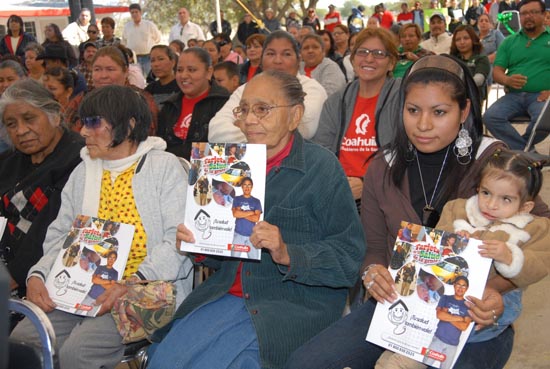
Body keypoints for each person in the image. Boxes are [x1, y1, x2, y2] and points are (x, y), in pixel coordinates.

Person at [286, 54, 550, 369]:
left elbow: (541, 233)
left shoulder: (495, 163)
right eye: (413, 111)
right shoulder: (383, 167)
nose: (423, 125)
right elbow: (371, 248)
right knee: (306, 362)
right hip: (400, 304)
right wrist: (373, 274)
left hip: (475, 316)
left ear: (464, 110)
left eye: (439, 112)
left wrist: (496, 290)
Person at [146, 70, 365, 369]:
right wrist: (200, 243)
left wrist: (288, 253)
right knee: (163, 360)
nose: (249, 120)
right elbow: (223, 257)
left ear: (294, 115)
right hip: (225, 294)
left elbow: (348, 260)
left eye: (262, 109)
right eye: (244, 110)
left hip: (290, 305)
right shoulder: (226, 166)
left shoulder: (321, 169)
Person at [10, 85, 194, 369]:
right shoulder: (83, 172)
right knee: (24, 340)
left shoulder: (163, 168)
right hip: (80, 286)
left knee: (78, 353)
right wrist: (38, 274)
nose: (83, 132)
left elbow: (178, 241)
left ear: (129, 124)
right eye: (83, 123)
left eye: (93, 122)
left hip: (147, 287)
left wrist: (130, 283)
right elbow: (60, 235)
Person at [0, 79, 84, 300]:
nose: (21, 131)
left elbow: (53, 228)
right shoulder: (8, 162)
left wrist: (11, 277)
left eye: (29, 119)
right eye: (11, 124)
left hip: (41, 275)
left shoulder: (78, 160)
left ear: (55, 116)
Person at [312, 28, 401, 204]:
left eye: (378, 53)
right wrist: (336, 182)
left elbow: (408, 155)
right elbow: (322, 151)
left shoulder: (403, 97)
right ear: (352, 60)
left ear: (391, 63)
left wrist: (367, 183)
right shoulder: (336, 101)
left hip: (386, 192)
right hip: (339, 189)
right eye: (362, 52)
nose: (369, 58)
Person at [208, 31, 327, 142]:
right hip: (246, 159)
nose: (278, 60)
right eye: (270, 53)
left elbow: (303, 130)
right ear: (261, 61)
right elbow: (215, 132)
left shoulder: (312, 89)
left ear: (298, 60)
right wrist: (274, 130)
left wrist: (242, 124)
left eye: (286, 54)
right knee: (212, 161)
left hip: (296, 162)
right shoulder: (246, 89)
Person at [483, 0, 550, 151]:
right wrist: (507, 79)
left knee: (544, 120)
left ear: (544, 15)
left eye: (533, 12)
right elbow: (497, 72)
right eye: (524, 13)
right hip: (513, 96)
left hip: (542, 97)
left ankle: (521, 152)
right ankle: (527, 153)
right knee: (490, 117)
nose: (528, 17)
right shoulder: (509, 42)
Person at [156, 47, 229, 159]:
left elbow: (229, 151)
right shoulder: (169, 106)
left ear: (209, 72)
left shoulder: (225, 104)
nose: (184, 76)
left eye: (191, 70)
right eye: (179, 70)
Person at [450, 25, 490, 102]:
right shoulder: (452, 59)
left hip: (473, 99)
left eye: (466, 38)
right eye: (458, 39)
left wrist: (458, 87)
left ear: (473, 40)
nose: (462, 42)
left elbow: (479, 80)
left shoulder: (481, 59)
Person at [122, 3, 162, 77]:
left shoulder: (149, 25)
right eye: (132, 12)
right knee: (136, 79)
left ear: (140, 12)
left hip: (148, 57)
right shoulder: (127, 27)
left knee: (151, 78)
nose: (134, 14)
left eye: (136, 12)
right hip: (134, 59)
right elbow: (124, 42)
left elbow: (157, 38)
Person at [77, 251, 119, 316]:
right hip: (90, 296)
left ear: (115, 260)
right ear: (107, 258)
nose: (111, 260)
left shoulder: (115, 273)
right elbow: (94, 280)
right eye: (110, 257)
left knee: (89, 318)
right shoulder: (100, 267)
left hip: (99, 300)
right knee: (77, 313)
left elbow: (110, 287)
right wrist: (108, 281)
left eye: (114, 258)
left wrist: (100, 280)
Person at [230, 177, 263, 259]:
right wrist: (251, 212)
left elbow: (256, 219)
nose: (247, 187)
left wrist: (242, 212)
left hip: (252, 236)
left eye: (249, 185)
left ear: (252, 187)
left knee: (254, 260)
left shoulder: (256, 201)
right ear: (241, 186)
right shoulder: (237, 199)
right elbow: (235, 214)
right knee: (233, 260)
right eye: (245, 185)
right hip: (238, 235)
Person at [145, 45, 179, 110]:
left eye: (161, 59)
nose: (156, 64)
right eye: (152, 60)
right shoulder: (150, 89)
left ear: (173, 62)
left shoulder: (181, 87)